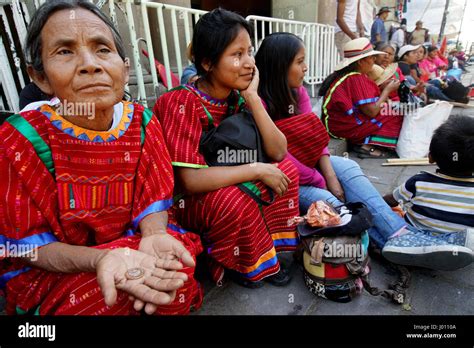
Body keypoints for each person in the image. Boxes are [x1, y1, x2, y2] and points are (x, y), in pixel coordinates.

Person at [0, 0, 203, 315]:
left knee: (173, 271)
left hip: (132, 243)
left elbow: (153, 199)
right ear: (39, 77)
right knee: (98, 297)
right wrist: (102, 258)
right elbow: (27, 246)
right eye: (65, 51)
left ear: (125, 67)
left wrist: (153, 234)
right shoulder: (21, 139)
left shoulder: (142, 121)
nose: (89, 64)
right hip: (61, 267)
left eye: (103, 49)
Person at [255, 33, 468, 271]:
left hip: (309, 163)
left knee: (349, 167)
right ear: (279, 65)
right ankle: (396, 241)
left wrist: (332, 178)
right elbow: (281, 158)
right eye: (299, 62)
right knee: (332, 202)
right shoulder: (260, 104)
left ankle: (403, 236)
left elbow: (315, 140)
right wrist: (322, 180)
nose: (306, 68)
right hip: (286, 177)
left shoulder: (299, 92)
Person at [154, 9, 300, 289]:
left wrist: (253, 97)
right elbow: (189, 181)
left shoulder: (239, 97)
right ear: (208, 63)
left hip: (229, 177)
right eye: (237, 55)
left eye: (250, 52)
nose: (249, 63)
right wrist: (257, 169)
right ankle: (243, 263)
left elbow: (279, 151)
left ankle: (267, 248)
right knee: (234, 199)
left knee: (288, 171)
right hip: (186, 201)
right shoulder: (180, 103)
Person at [383, 116, 474, 270]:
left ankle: (415, 243)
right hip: (460, 235)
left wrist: (380, 204)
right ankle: (453, 244)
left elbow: (391, 200)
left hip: (416, 231)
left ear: (430, 157)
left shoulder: (418, 181)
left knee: (394, 212)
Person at [319, 38, 402, 158]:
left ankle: (370, 142)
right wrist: (387, 90)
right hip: (340, 128)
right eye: (371, 57)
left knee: (390, 107)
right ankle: (367, 146)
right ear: (360, 62)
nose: (374, 60)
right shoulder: (357, 79)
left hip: (336, 124)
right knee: (394, 111)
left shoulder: (352, 76)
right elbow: (372, 111)